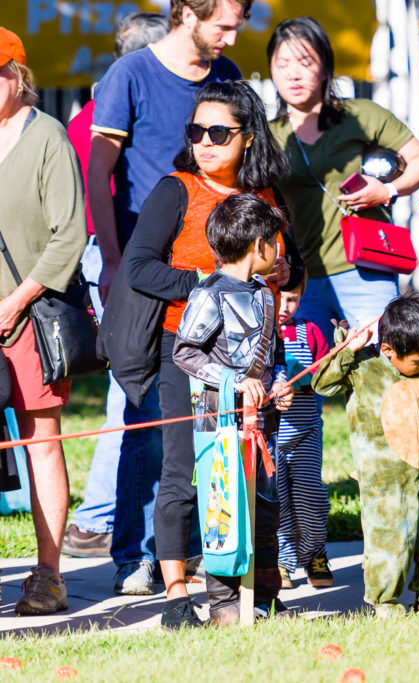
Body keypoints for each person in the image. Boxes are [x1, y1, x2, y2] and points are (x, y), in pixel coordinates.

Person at [85, 0, 251, 595]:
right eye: (223, 25)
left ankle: (196, 550)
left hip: (219, 283)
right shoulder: (131, 74)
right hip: (147, 273)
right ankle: (131, 554)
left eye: (237, 25)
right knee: (145, 417)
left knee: (207, 428)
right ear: (185, 13)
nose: (232, 37)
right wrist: (109, 258)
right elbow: (98, 170)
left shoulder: (226, 78)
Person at [119, 80, 297, 627]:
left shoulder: (267, 195)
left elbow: (296, 263)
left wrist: (288, 280)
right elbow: (140, 267)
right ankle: (176, 595)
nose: (204, 142)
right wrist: (210, 284)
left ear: (248, 137)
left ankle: (254, 591)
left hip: (257, 362)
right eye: (196, 132)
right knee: (185, 473)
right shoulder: (176, 189)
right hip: (188, 351)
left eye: (218, 132)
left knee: (255, 474)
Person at [62, 11, 168, 561]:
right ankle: (97, 516)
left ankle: (103, 515)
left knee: (128, 393)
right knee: (128, 394)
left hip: (114, 255)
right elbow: (96, 184)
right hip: (116, 255)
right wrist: (113, 256)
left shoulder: (91, 109)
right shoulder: (118, 109)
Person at [266, 16, 419, 337]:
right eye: (283, 63)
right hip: (301, 279)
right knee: (316, 377)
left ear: (325, 67)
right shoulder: (268, 135)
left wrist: (387, 191)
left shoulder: (360, 115)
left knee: (381, 368)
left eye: (305, 61)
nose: (293, 73)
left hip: (365, 269)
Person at [174, 193, 296, 623]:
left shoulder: (265, 292)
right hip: (219, 421)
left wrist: (278, 382)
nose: (280, 250)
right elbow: (185, 353)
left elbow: (273, 353)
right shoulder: (208, 295)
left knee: (265, 509)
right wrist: (233, 383)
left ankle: (264, 600)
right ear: (259, 245)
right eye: (277, 241)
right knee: (224, 510)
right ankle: (226, 607)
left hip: (263, 421)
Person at [0, 27, 88, 615]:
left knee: (42, 443)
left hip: (27, 316)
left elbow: (71, 235)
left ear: (16, 73)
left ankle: (48, 575)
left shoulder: (47, 136)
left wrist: (13, 303)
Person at [313, 293, 419, 616]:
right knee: (390, 540)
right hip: (385, 481)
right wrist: (346, 350)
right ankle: (385, 601)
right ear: (388, 350)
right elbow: (321, 383)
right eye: (417, 361)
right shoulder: (362, 366)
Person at [274, 273, 332, 589]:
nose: (285, 306)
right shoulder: (264, 333)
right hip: (273, 438)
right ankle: (282, 560)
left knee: (310, 495)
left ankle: (313, 552)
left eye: (293, 299)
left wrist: (303, 383)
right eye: (280, 297)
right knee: (279, 501)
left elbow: (324, 375)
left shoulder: (309, 331)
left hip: (306, 430)